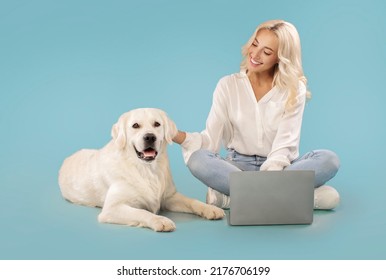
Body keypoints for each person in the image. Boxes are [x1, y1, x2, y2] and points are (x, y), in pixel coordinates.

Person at [172, 19, 340, 210]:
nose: (255, 54)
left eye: (267, 52)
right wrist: (176, 135)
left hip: (283, 167)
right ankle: (287, 198)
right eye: (255, 44)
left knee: (329, 159)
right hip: (237, 169)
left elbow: (286, 143)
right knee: (198, 159)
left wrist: (269, 177)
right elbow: (210, 140)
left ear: (280, 57)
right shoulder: (227, 85)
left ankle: (235, 199)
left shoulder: (294, 89)